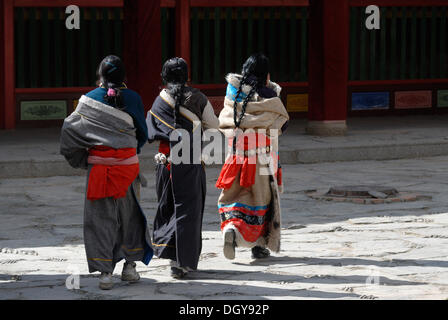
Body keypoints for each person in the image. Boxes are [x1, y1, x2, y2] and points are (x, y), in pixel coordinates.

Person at [60, 55, 153, 290]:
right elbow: (142, 133)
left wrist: (84, 160)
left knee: (100, 219)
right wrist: (128, 150)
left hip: (100, 169)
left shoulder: (88, 101)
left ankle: (105, 274)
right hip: (128, 169)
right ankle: (130, 268)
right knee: (129, 217)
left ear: (100, 76)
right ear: (124, 76)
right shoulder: (134, 98)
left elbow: (69, 133)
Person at [146, 57, 219, 279]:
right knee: (189, 211)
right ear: (187, 76)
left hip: (165, 162)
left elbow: (149, 131)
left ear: (164, 77)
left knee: (168, 207)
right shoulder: (199, 98)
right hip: (191, 161)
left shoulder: (159, 102)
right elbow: (214, 127)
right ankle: (183, 262)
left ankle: (171, 257)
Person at [216, 53, 289, 260]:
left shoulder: (232, 93)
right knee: (261, 202)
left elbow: (223, 121)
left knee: (234, 197)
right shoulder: (270, 97)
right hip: (261, 159)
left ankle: (231, 227)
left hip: (235, 157)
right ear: (266, 75)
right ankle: (258, 245)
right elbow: (282, 125)